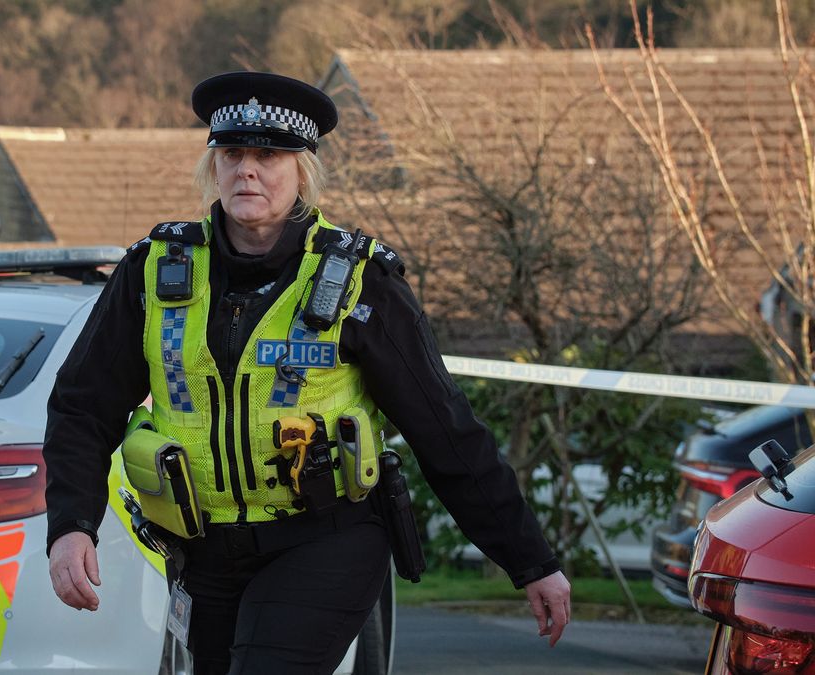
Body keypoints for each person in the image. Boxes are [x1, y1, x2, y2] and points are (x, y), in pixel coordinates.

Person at [43, 70, 570, 674]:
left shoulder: (360, 281)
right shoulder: (153, 272)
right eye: (233, 153)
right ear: (212, 167)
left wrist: (530, 560)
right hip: (204, 551)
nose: (248, 170)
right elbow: (83, 407)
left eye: (269, 155)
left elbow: (444, 429)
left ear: (303, 172)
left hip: (327, 538)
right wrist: (71, 525)